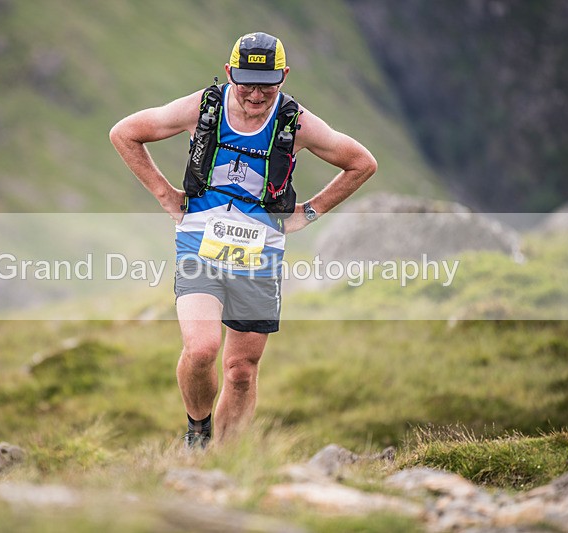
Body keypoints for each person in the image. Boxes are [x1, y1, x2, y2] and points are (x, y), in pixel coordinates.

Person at [109, 31, 377, 449]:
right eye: (246, 82)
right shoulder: (202, 108)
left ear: (284, 76)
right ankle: (197, 433)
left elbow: (361, 163)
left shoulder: (296, 122)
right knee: (201, 349)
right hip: (199, 244)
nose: (255, 94)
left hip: (261, 254)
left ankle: (225, 460)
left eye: (266, 84)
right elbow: (124, 133)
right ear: (229, 72)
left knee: (241, 371)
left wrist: (309, 212)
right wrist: (164, 195)